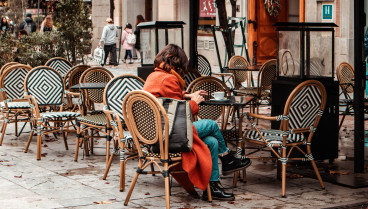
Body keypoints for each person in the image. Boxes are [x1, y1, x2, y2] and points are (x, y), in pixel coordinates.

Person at [143, 44, 251, 201]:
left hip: (156, 133)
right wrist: (194, 102)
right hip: (169, 135)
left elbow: (168, 98)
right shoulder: (170, 79)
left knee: (212, 141)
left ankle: (213, 188)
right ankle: (227, 159)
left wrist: (186, 95)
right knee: (212, 125)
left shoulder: (155, 76)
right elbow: (181, 116)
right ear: (178, 63)